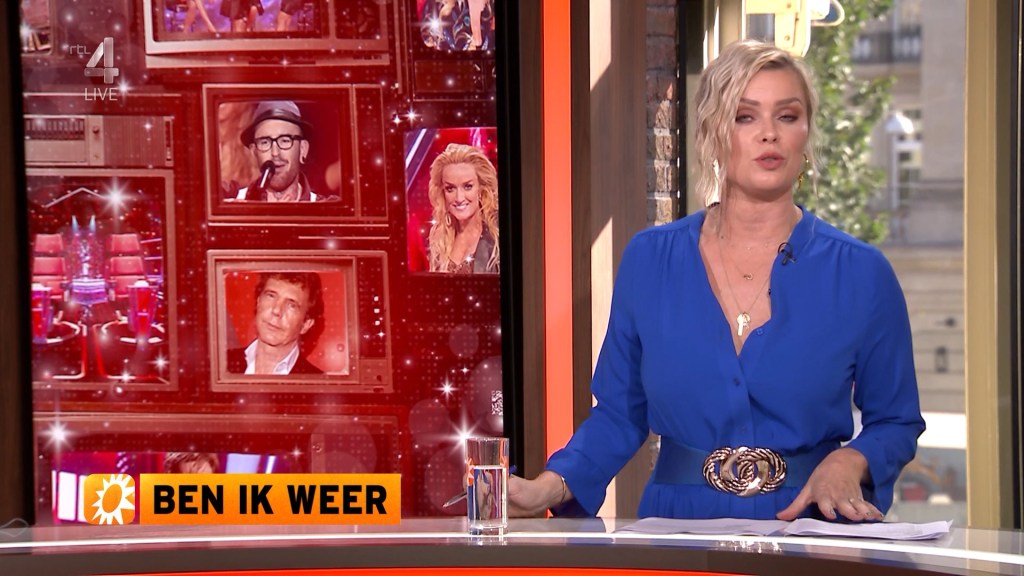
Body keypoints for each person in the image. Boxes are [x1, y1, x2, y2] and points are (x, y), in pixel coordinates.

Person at [508, 40, 925, 522]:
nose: (769, 134)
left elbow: (895, 421)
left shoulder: (860, 273)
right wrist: (549, 486)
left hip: (806, 526)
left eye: (787, 116)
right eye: (745, 117)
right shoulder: (651, 260)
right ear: (712, 131)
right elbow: (620, 414)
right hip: (677, 529)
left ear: (806, 134)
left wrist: (850, 460)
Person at [233, 100, 335, 202]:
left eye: (285, 141)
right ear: (254, 152)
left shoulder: (326, 208)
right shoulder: (234, 203)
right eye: (265, 142)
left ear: (302, 149)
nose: (275, 153)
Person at [227, 271, 324, 375]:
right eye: (271, 296)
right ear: (258, 302)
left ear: (306, 324)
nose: (276, 310)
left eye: (291, 305)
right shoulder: (221, 363)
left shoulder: (316, 381)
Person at [426, 143, 500, 274]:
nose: (459, 198)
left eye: (468, 187)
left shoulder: (497, 236)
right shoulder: (439, 239)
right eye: (450, 188)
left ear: (481, 188)